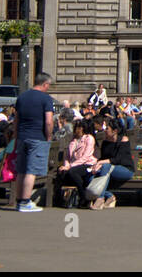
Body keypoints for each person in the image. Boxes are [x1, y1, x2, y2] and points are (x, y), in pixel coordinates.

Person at [11, 72, 55, 213]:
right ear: (45, 84)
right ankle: (25, 202)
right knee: (31, 170)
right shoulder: (46, 99)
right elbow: (48, 121)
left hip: (22, 137)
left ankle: (19, 201)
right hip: (37, 137)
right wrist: (49, 136)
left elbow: (16, 120)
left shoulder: (22, 97)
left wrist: (16, 136)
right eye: (49, 85)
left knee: (21, 170)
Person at [89, 118, 135, 210]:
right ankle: (110, 196)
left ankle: (100, 199)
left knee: (105, 166)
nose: (105, 130)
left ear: (115, 131)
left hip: (125, 169)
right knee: (91, 176)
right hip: (109, 170)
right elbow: (103, 158)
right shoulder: (105, 142)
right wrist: (96, 166)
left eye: (107, 129)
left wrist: (101, 162)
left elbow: (118, 159)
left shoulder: (123, 140)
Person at [57, 119, 98, 207]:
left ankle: (84, 196)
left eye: (78, 127)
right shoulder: (73, 140)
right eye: (75, 127)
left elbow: (85, 157)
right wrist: (66, 165)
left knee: (72, 172)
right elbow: (67, 156)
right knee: (62, 172)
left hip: (87, 164)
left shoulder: (89, 138)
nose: (76, 129)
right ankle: (60, 199)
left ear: (82, 128)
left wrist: (70, 166)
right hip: (74, 164)